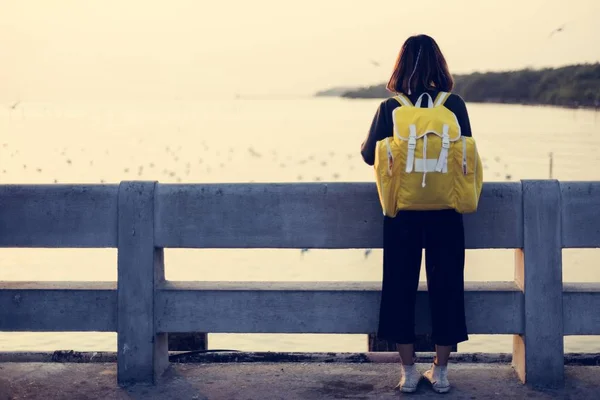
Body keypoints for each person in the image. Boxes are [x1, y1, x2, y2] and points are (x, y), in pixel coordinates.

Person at [360, 34, 472, 394]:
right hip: (446, 212)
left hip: (402, 213)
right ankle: (440, 372)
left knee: (399, 287)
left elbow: (367, 155)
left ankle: (408, 372)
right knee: (447, 287)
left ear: (400, 65)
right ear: (440, 64)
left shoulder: (390, 108)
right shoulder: (453, 105)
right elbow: (466, 155)